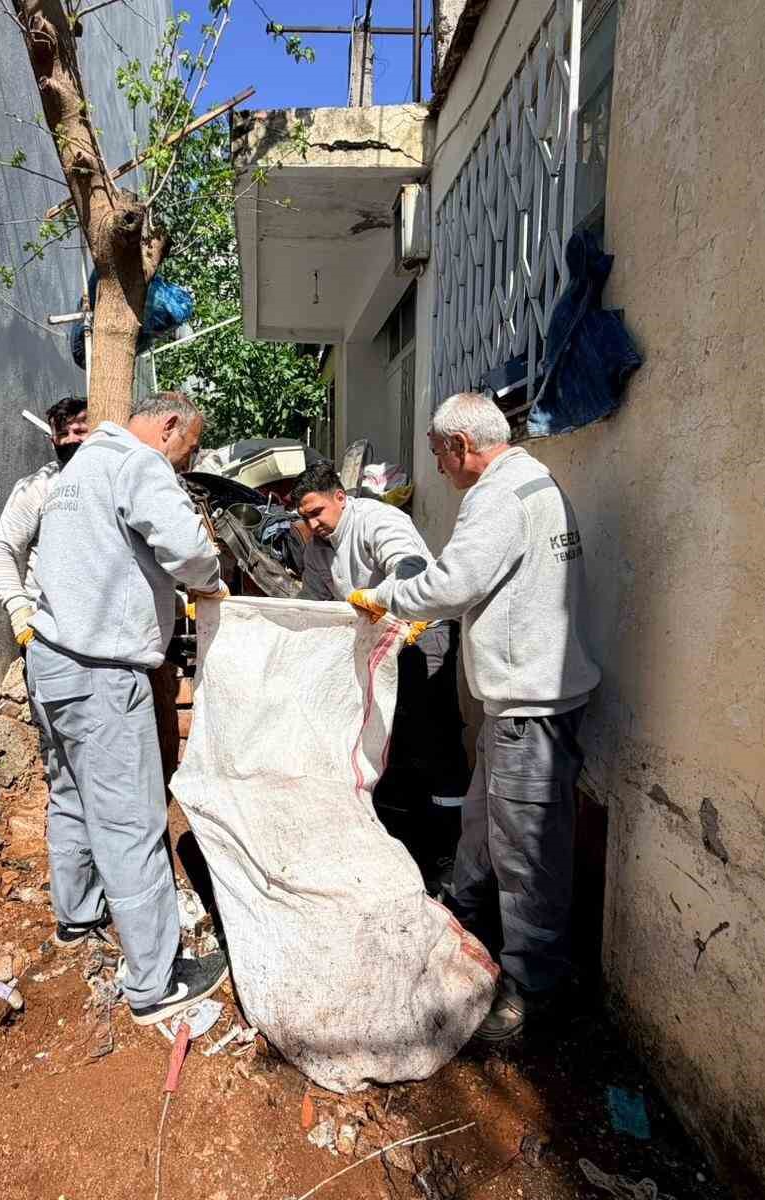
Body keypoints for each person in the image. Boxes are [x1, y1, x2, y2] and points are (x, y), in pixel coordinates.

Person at [349, 391, 599, 1043]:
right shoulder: (535, 483)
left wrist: (383, 598)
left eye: (436, 454)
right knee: (483, 824)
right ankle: (463, 919)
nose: (437, 468)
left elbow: (452, 584)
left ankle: (534, 988)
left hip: (531, 706)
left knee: (526, 850)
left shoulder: (496, 496)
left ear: (462, 446)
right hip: (521, 700)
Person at [28, 391, 229, 1026]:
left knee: (70, 796)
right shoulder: (139, 465)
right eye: (188, 447)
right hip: (103, 673)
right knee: (133, 821)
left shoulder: (80, 466)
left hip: (51, 659)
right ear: (169, 424)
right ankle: (155, 981)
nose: (183, 459)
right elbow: (190, 552)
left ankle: (78, 917)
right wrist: (210, 578)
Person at [289, 463, 472, 887]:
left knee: (434, 736)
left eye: (317, 512)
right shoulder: (318, 551)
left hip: (422, 631)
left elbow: (407, 566)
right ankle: (403, 841)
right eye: (305, 517)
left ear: (340, 497)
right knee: (389, 734)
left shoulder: (378, 519)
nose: (312, 524)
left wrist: (382, 597)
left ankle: (450, 858)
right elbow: (314, 606)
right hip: (378, 642)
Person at [0, 395, 91, 645]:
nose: (71, 439)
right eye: (63, 433)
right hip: (49, 632)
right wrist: (18, 609)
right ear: (53, 439)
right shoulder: (39, 486)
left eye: (80, 431)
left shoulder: (117, 481)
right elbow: (0, 549)